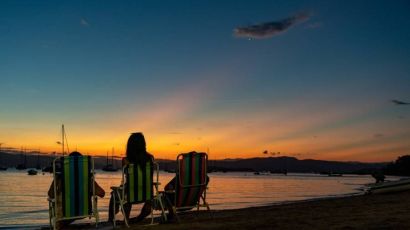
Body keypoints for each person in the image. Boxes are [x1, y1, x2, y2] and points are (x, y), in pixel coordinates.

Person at [48, 151, 105, 229]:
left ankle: (62, 223)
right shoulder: (88, 178)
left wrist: (56, 179)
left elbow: (50, 195)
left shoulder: (60, 178)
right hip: (83, 211)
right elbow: (102, 193)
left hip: (65, 212)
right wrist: (90, 190)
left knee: (61, 210)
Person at [108, 132, 154, 223]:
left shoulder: (126, 160)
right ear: (143, 144)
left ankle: (111, 220)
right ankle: (139, 218)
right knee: (129, 192)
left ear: (130, 145)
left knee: (114, 195)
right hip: (147, 193)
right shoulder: (151, 159)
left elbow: (126, 175)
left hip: (130, 194)